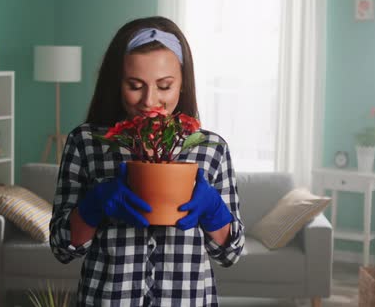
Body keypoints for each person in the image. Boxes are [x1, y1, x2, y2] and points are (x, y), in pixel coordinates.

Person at [50, 16, 245, 306]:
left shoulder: (211, 149)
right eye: (135, 85)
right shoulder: (86, 142)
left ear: (182, 84)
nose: (149, 100)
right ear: (117, 82)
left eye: (164, 86)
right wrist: (93, 206)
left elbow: (230, 254)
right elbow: (62, 248)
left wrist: (213, 210)